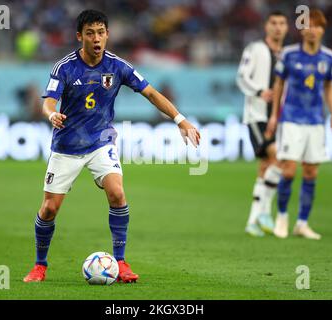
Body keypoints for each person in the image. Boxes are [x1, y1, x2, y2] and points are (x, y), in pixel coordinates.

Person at [23, 10, 200, 283]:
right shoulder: (65, 67)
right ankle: (40, 265)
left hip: (101, 142)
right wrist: (51, 114)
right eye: (90, 33)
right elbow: (48, 101)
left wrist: (181, 120)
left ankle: (120, 262)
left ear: (107, 35)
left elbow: (151, 93)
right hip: (67, 146)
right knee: (49, 209)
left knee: (117, 193)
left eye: (101, 32)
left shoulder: (118, 66)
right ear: (79, 36)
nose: (96, 38)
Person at [267, 9, 332, 239]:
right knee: (288, 170)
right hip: (292, 119)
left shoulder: (328, 57)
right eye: (308, 26)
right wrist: (275, 115)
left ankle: (302, 223)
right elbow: (278, 85)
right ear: (302, 30)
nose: (312, 30)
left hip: (316, 120)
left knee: (311, 172)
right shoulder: (289, 55)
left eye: (317, 26)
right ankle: (282, 218)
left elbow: (328, 87)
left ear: (322, 30)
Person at [236, 11, 288, 237]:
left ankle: (252, 221)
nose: (278, 27)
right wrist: (259, 91)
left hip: (280, 117)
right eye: (274, 23)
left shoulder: (287, 54)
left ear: (287, 28)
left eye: (282, 23)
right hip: (257, 115)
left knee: (266, 166)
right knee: (278, 157)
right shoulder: (255, 49)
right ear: (267, 26)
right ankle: (266, 211)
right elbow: (241, 77)